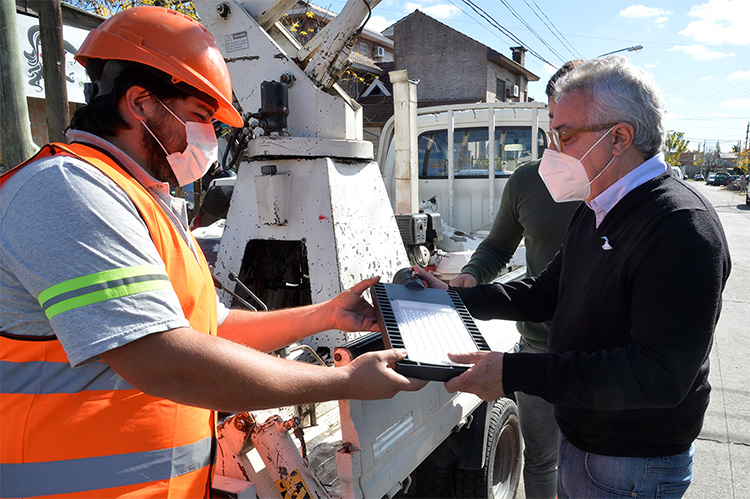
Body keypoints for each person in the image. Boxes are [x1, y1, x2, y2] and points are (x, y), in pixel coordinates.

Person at [0, 7, 425, 498]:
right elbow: (167, 360)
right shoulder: (68, 190)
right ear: (140, 102)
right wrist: (343, 380)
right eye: (201, 118)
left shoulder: (137, 196)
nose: (210, 137)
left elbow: (207, 329)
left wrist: (324, 314)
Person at [419, 56, 731, 498]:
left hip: (631, 465)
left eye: (564, 135)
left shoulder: (680, 226)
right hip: (585, 443)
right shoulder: (598, 206)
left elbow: (659, 374)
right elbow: (545, 293)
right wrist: (454, 299)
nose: (552, 152)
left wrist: (513, 372)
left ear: (620, 137)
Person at [450, 60, 583, 499]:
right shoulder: (527, 180)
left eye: (570, 127)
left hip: (600, 355)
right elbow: (497, 247)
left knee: (590, 464)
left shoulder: (616, 188)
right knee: (542, 460)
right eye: (553, 123)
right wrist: (471, 277)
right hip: (538, 346)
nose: (557, 138)